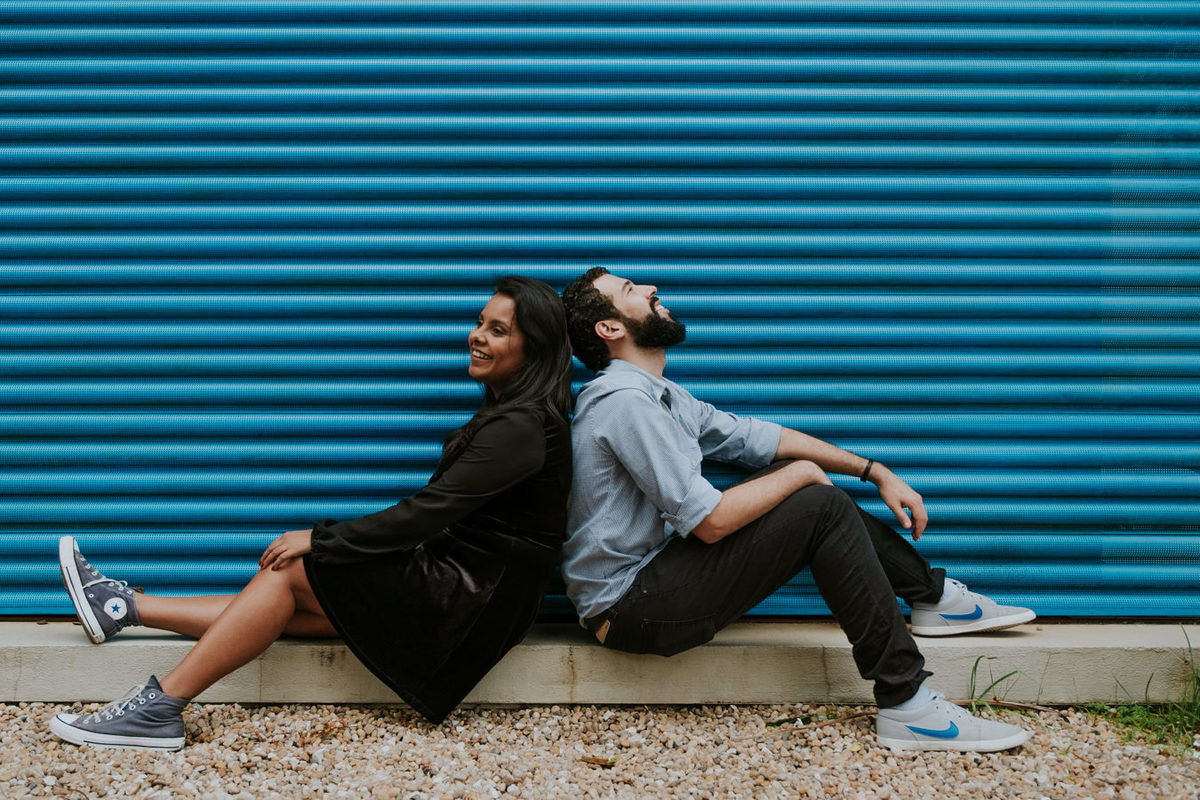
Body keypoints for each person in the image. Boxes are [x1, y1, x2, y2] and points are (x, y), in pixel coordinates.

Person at [50, 275, 574, 751]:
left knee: (291, 574)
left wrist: (320, 540)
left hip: (468, 600)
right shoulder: (514, 417)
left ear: (535, 347)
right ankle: (123, 608)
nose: (477, 335)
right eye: (480, 322)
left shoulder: (522, 426)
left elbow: (428, 513)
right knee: (281, 605)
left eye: (498, 330)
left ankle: (160, 706)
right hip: (468, 591)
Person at [559, 267, 1036, 753]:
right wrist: (803, 472)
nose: (650, 288)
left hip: (653, 582)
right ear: (610, 328)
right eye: (629, 290)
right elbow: (711, 523)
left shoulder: (661, 397)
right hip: (628, 606)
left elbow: (756, 438)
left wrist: (873, 470)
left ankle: (930, 599)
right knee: (816, 502)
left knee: (804, 488)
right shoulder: (623, 403)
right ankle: (908, 702)